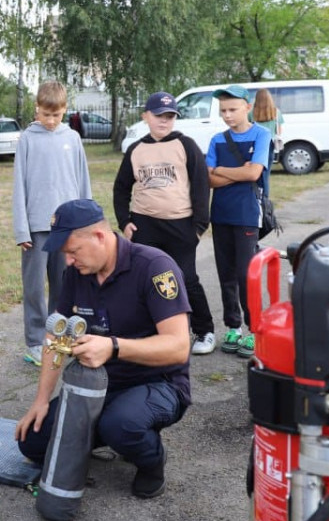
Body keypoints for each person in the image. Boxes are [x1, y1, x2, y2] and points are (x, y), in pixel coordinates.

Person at [14, 199, 190, 499]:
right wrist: (41, 400)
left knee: (122, 425)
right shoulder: (76, 274)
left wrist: (114, 347)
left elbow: (178, 347)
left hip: (157, 383)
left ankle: (152, 460)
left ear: (99, 236)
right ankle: (104, 433)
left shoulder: (154, 267)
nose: (68, 261)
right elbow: (55, 337)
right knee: (32, 441)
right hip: (96, 387)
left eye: (72, 251)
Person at [113, 91, 215, 356]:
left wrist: (199, 226)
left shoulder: (186, 145)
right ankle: (149, 330)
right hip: (145, 225)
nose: (165, 121)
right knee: (145, 279)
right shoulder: (136, 149)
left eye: (170, 116)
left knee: (185, 279)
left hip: (180, 225)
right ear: (146, 116)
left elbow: (201, 187)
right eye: (159, 115)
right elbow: (121, 189)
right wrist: (125, 222)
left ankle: (204, 330)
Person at [12, 80, 92, 367]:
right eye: (45, 114)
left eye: (56, 115)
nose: (50, 120)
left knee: (64, 284)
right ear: (37, 109)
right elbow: (19, 186)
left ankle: (59, 337)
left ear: (65, 111)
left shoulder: (73, 138)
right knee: (34, 286)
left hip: (67, 227)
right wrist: (22, 228)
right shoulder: (27, 139)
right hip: (35, 228)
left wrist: (87, 222)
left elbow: (83, 182)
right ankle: (35, 342)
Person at [206, 85, 271, 358]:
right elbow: (208, 177)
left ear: (247, 106)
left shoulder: (262, 134)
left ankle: (255, 329)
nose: (227, 115)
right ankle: (233, 327)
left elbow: (254, 172)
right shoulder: (217, 140)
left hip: (247, 214)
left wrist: (223, 172)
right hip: (220, 214)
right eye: (223, 111)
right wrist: (235, 172)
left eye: (232, 109)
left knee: (246, 275)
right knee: (226, 275)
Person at [251, 88, 284, 164]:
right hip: (270, 142)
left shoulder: (251, 113)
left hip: (255, 142)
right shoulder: (276, 112)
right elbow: (279, 130)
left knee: (256, 164)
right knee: (268, 165)